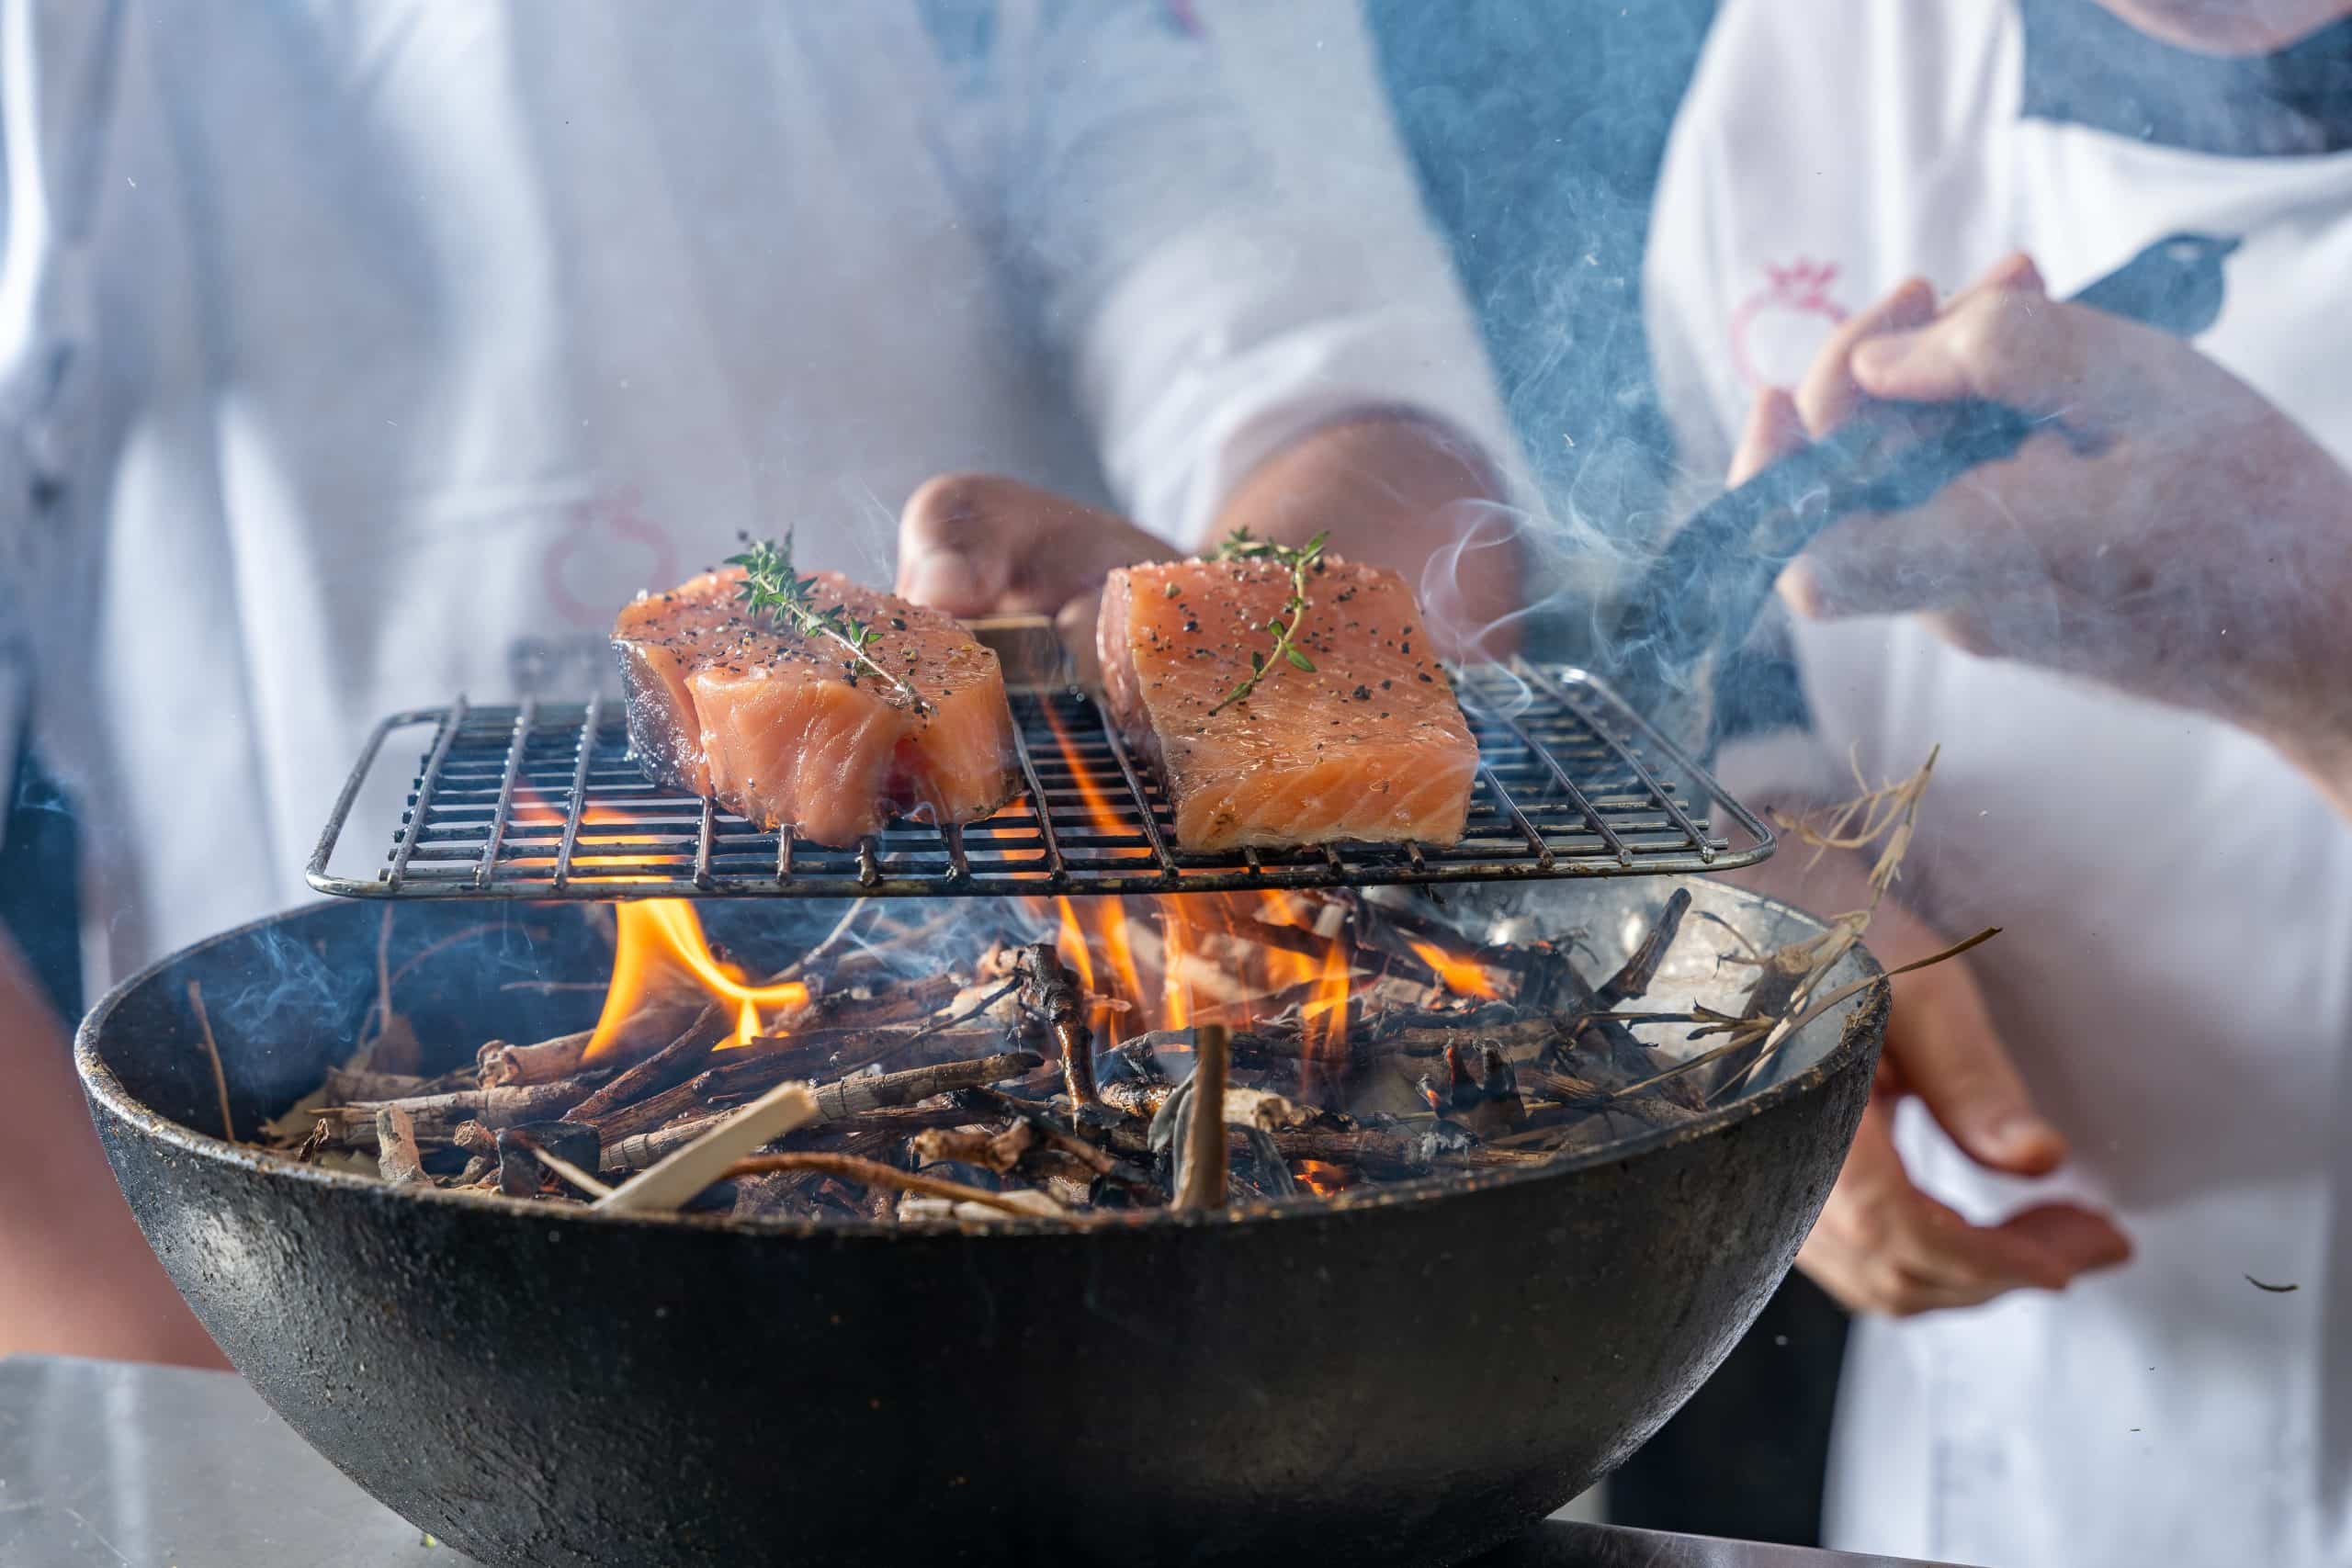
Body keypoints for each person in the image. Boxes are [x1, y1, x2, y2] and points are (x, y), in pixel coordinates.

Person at [0, 0, 1518, 1363]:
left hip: (1048, 1234)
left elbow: (1377, 435)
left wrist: (1213, 637)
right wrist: (205, 1361)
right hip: (303, 1179)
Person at [1645, 1, 2352, 1562]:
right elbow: (1731, 704)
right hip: (2008, 1456)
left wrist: (2317, 650)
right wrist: (1769, 939)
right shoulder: (1826, 49)